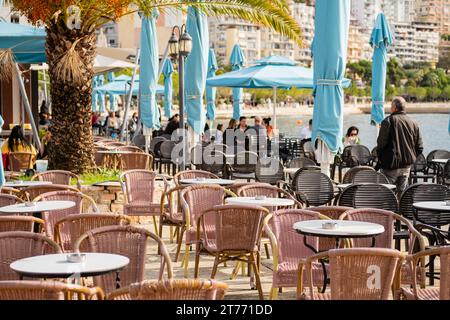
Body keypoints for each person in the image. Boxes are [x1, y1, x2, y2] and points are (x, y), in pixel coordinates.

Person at [376, 97, 423, 193]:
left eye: (391, 106)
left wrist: (381, 159)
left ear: (394, 108)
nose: (390, 108)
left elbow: (381, 144)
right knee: (402, 195)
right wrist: (411, 158)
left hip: (390, 166)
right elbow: (420, 147)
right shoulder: (414, 123)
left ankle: (388, 208)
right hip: (406, 166)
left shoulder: (387, 121)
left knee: (386, 194)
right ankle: (401, 208)